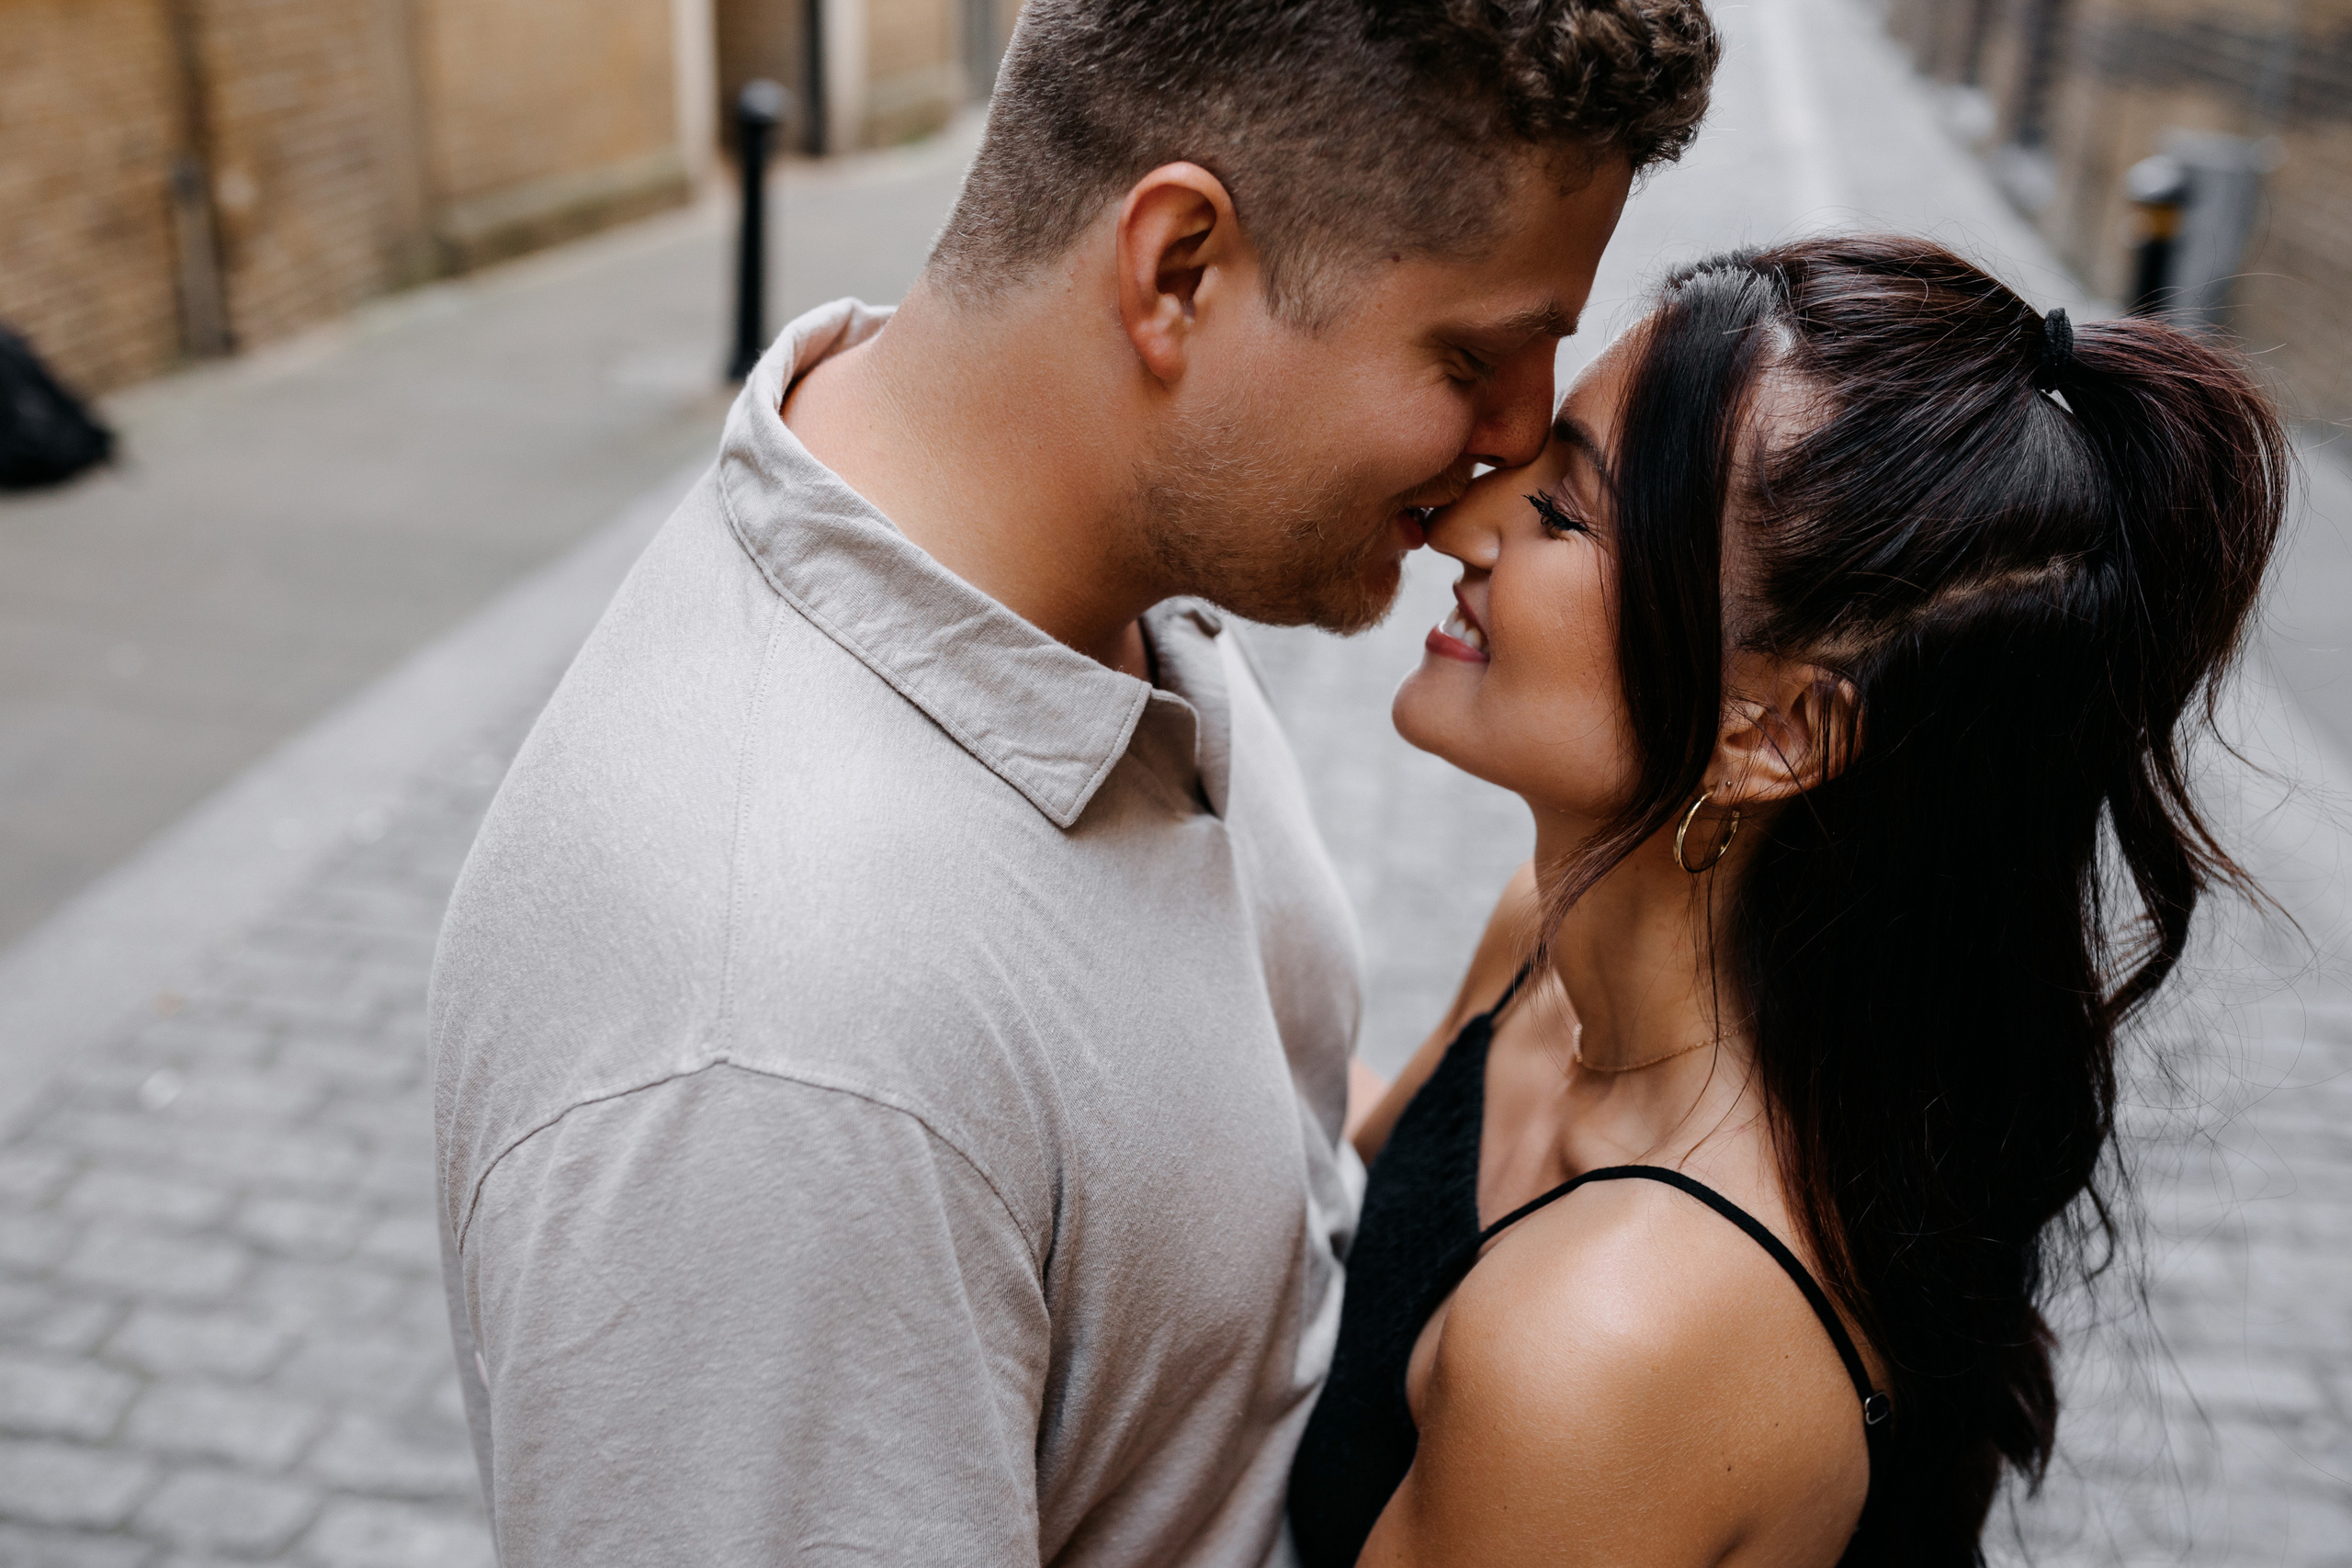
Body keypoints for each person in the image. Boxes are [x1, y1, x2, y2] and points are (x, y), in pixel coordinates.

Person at [429, 2, 1718, 1562]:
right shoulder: (778, 1048)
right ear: (1179, 271)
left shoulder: (1117, 565)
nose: (1517, 451)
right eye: (1474, 358)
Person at [1287, 236, 2286, 1566]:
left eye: (1563, 513)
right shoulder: (1548, 937)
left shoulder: (1603, 1348)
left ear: (1776, 737)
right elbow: (1379, 1184)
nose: (1462, 525)